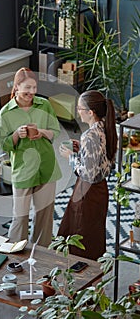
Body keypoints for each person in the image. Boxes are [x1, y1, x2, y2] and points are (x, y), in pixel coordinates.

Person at [0, 67, 62, 247]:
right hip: (23, 170)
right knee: (20, 216)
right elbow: (4, 144)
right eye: (27, 88)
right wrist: (17, 134)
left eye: (34, 88)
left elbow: (55, 132)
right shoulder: (6, 112)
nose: (32, 92)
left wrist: (41, 132)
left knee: (44, 216)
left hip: (46, 167)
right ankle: (14, 253)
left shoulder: (44, 105)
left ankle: (41, 257)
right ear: (17, 87)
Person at [58, 90, 117, 260]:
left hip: (87, 191)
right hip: (101, 189)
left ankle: (80, 276)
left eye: (80, 108)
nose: (78, 112)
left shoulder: (90, 136)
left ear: (90, 112)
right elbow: (104, 162)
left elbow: (88, 174)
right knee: (94, 234)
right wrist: (82, 151)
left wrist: (71, 157)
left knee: (80, 233)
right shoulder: (107, 128)